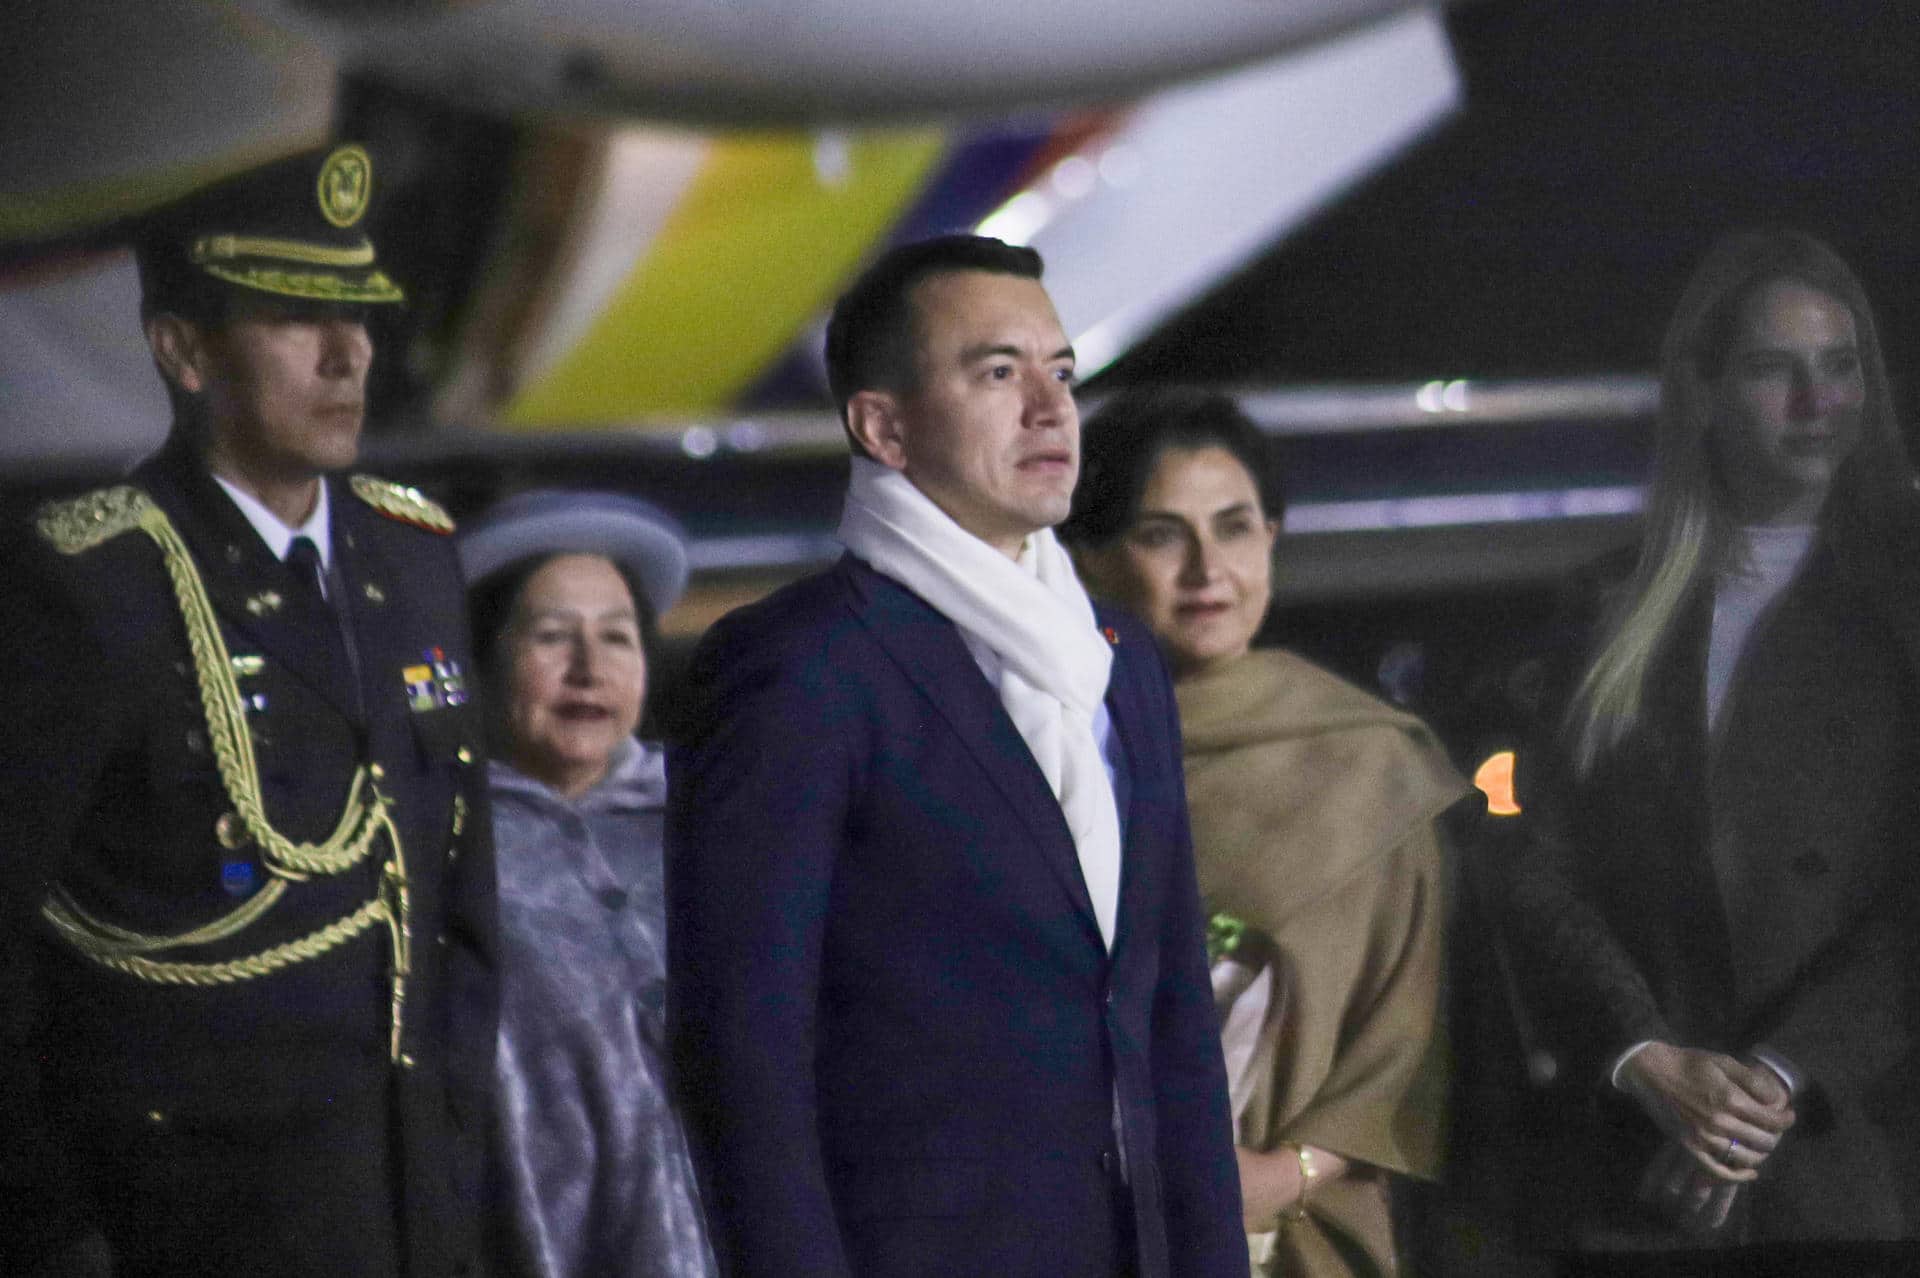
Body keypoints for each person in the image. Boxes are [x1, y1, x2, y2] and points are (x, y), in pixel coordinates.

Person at [665, 234, 1245, 1278]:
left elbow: (1172, 1020)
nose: (1051, 408)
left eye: (1061, 372)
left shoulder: (1119, 659)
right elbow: (744, 1057)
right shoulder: (801, 669)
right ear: (883, 427)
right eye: (999, 374)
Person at [0, 144, 494, 1278]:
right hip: (188, 1217)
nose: (348, 355)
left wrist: (456, 1135)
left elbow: (458, 889)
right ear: (183, 350)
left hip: (409, 1200)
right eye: (294, 320)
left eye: (356, 317)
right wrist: (47, 1227)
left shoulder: (412, 554)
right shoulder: (93, 586)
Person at [1504, 228, 1920, 1271]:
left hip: (1858, 1161)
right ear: (1701, 390)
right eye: (1776, 369)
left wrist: (1773, 1083)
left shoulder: (1904, 593)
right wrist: (1647, 1057)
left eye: (1840, 365)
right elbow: (1542, 865)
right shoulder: (1607, 605)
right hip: (1642, 1171)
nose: (1817, 402)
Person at [1062, 389, 1466, 1276]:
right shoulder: (1051, 752)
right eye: (1161, 535)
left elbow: (1414, 1040)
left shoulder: (1369, 763)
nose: (1208, 569)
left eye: (1235, 527)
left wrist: (1284, 1177)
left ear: (1273, 538)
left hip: (1282, 1233)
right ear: (1090, 557)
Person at [457, 491, 717, 1278]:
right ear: (483, 655)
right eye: (550, 636)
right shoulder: (442, 844)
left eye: (616, 637)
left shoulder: (714, 819)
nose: (589, 668)